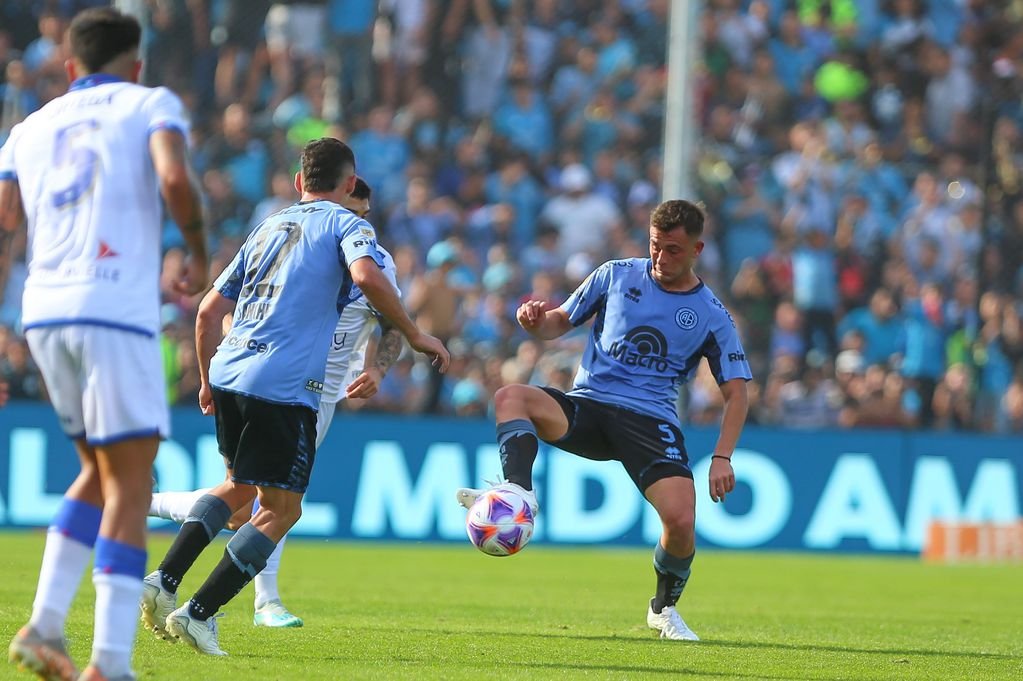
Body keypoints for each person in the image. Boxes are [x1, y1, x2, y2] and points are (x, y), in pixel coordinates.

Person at [140, 138, 449, 656]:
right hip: (286, 385)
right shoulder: (351, 228)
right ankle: (199, 613)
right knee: (281, 509)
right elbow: (366, 276)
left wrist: (206, 378)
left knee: (239, 490)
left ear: (300, 182)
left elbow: (206, 312)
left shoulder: (268, 226)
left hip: (232, 370)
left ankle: (162, 579)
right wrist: (418, 334)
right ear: (349, 186)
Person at [0, 8, 209, 681]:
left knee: (97, 471)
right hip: (112, 307)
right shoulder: (151, 103)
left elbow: (6, 217)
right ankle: (109, 663)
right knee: (130, 482)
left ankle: (44, 624)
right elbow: (174, 178)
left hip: (44, 311)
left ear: (69, 67)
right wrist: (198, 250)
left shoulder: (27, 129)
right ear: (136, 62)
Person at [456, 199, 751, 641]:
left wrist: (723, 456)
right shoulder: (615, 275)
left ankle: (662, 609)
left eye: (673, 249)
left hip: (651, 422)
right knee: (510, 396)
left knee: (682, 523)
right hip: (589, 406)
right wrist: (534, 321)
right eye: (655, 246)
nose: (661, 258)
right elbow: (559, 321)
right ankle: (519, 493)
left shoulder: (711, 313)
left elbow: (737, 392)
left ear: (697, 249)